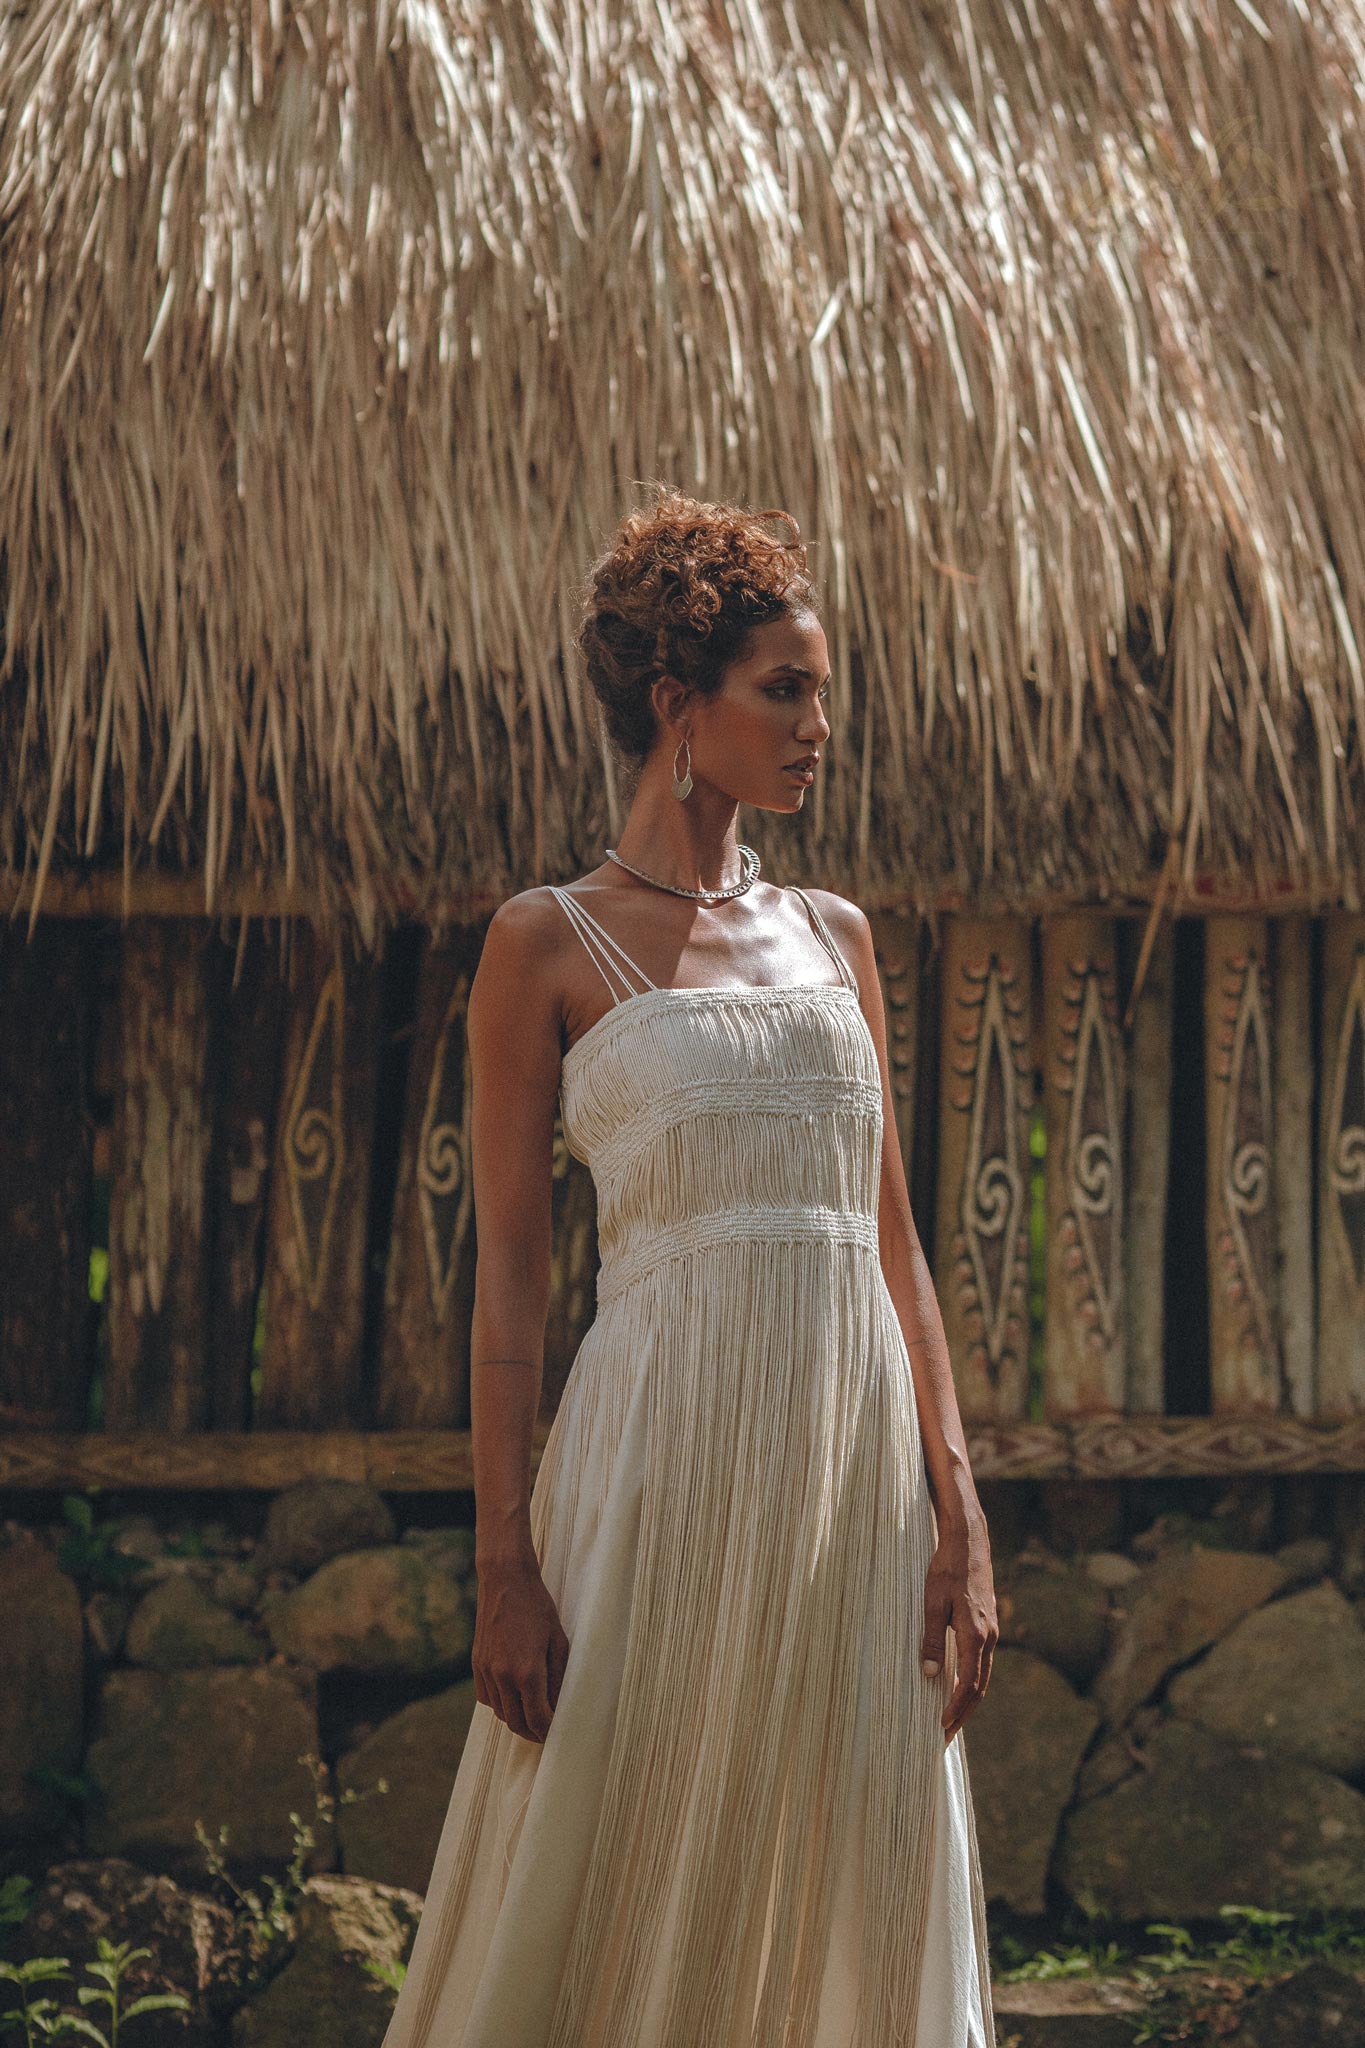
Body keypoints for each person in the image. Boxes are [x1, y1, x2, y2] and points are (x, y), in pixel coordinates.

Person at [381, 487, 998, 2048]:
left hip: (848, 1479)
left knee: (846, 1839)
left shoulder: (834, 934)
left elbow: (894, 1249)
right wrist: (502, 1561)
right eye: (782, 689)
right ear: (677, 706)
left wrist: (959, 1506)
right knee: (612, 1839)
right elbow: (511, 1280)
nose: (817, 726)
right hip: (655, 1463)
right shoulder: (544, 944)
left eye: (822, 692)